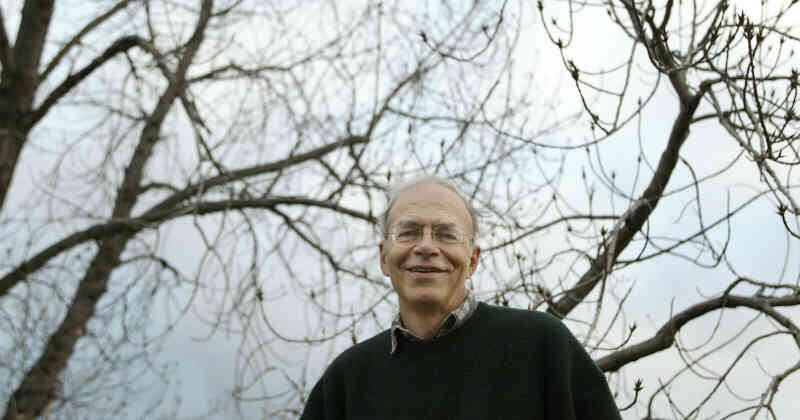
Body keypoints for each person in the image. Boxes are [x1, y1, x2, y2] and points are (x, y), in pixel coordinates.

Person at [300, 176, 622, 420]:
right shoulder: (344, 383)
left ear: (472, 260)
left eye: (446, 234)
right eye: (409, 232)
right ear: (384, 257)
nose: (427, 247)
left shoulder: (543, 346)